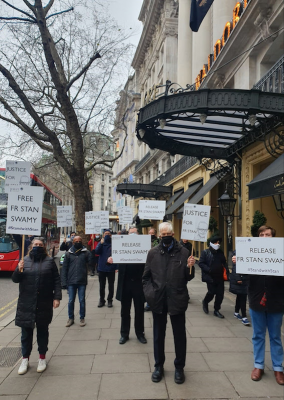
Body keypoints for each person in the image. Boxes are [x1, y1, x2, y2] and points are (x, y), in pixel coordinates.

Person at [143, 222, 195, 384]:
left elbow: (188, 277)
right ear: (159, 236)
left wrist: (189, 267)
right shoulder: (152, 253)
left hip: (177, 299)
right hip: (158, 300)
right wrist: (150, 294)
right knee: (158, 335)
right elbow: (146, 278)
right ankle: (159, 366)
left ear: (173, 235)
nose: (165, 237)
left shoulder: (184, 252)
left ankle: (179, 367)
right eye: (163, 235)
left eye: (168, 234)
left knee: (179, 335)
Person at [233, 226, 284, 385]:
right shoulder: (251, 251)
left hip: (276, 300)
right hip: (256, 298)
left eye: (267, 234)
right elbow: (243, 274)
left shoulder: (281, 251)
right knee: (258, 335)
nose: (264, 236)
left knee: (275, 336)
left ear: (273, 236)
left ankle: (278, 368)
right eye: (261, 234)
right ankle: (258, 365)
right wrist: (239, 262)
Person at [12, 237, 61, 375]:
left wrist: (56, 297)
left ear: (44, 246)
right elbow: (15, 280)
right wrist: (18, 270)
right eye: (35, 244)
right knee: (26, 334)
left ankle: (42, 358)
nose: (37, 246)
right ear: (31, 246)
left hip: (44, 302)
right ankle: (25, 359)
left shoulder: (50, 261)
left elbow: (56, 280)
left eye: (40, 244)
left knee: (42, 332)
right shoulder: (24, 261)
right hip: (26, 302)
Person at [115, 227, 146, 345]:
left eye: (135, 233)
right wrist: (110, 260)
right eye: (130, 233)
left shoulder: (144, 246)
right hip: (125, 283)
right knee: (124, 311)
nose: (132, 234)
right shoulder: (121, 246)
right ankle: (124, 334)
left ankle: (140, 333)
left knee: (139, 310)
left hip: (139, 283)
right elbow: (114, 259)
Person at [61, 236, 92, 327]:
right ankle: (71, 318)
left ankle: (82, 318)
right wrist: (63, 282)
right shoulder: (68, 254)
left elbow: (91, 263)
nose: (78, 242)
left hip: (82, 280)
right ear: (73, 242)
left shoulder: (86, 253)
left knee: (82, 300)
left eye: (79, 241)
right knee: (71, 301)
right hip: (71, 281)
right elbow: (64, 269)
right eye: (76, 241)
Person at [199, 235, 229, 318]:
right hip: (210, 277)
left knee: (220, 295)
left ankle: (216, 310)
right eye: (215, 242)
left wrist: (227, 271)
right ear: (211, 243)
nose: (217, 244)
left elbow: (224, 262)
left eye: (218, 243)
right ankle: (205, 302)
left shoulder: (220, 252)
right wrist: (209, 270)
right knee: (211, 292)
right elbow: (201, 263)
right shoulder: (205, 252)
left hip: (220, 277)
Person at [95, 229, 117, 308]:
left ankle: (110, 300)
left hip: (111, 268)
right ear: (103, 235)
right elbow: (96, 251)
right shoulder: (101, 243)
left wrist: (116, 267)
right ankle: (101, 300)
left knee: (111, 286)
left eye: (108, 233)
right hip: (102, 268)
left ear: (111, 235)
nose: (107, 235)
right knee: (102, 286)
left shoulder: (114, 244)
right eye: (105, 233)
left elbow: (117, 255)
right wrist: (100, 244)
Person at [229, 251, 250, 326]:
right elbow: (235, 268)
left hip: (245, 279)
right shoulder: (237, 253)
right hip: (241, 280)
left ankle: (236, 312)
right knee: (243, 297)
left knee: (240, 296)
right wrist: (238, 278)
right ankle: (244, 316)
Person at [144, 228, 160, 312]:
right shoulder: (144, 241)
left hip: (156, 265)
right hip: (147, 265)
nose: (151, 234)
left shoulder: (158, 242)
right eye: (149, 233)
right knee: (149, 285)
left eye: (152, 233)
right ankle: (148, 303)